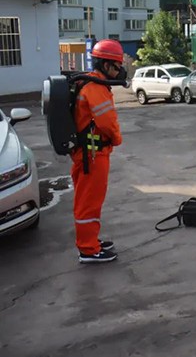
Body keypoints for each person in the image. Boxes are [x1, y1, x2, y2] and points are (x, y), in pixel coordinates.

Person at [71, 39, 126, 263]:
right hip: (93, 155)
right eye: (116, 66)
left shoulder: (89, 83)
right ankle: (88, 250)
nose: (118, 71)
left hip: (87, 153)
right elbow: (107, 122)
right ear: (105, 64)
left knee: (89, 200)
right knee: (89, 202)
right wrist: (117, 139)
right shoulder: (96, 88)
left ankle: (91, 241)